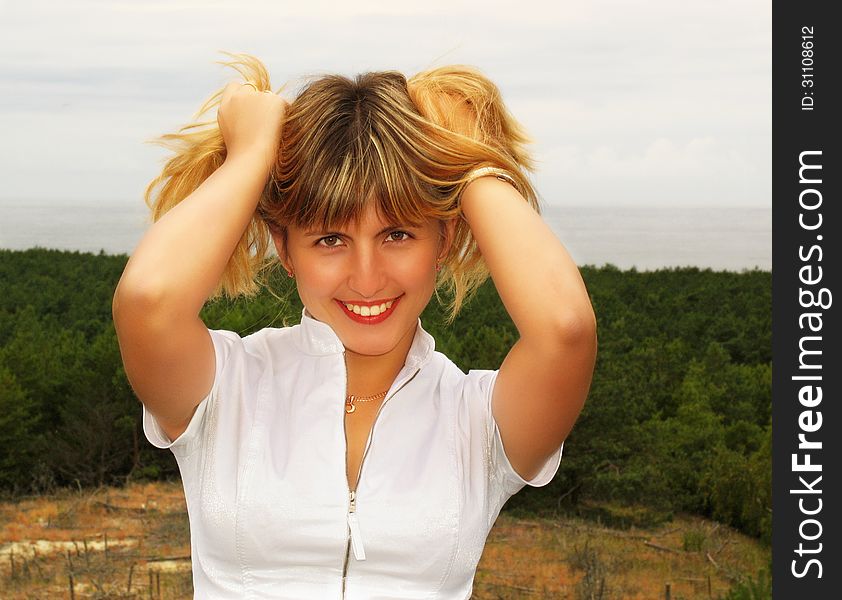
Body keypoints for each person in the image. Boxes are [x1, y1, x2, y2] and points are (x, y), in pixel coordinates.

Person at [112, 53, 597, 599]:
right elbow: (148, 301)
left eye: (398, 235)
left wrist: (469, 160)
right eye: (329, 239)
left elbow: (565, 329)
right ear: (284, 248)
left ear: (445, 240)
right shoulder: (226, 386)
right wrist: (252, 153)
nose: (367, 279)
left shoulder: (477, 420)